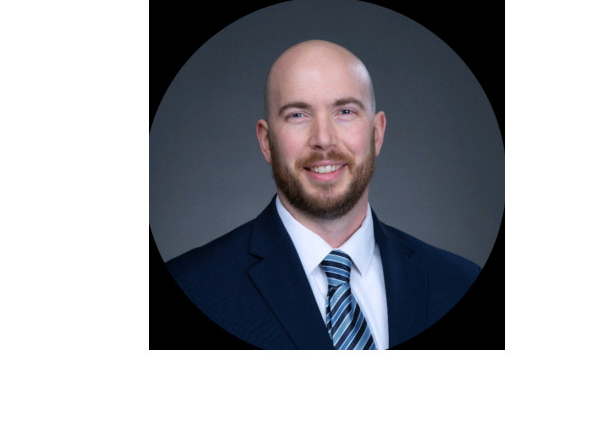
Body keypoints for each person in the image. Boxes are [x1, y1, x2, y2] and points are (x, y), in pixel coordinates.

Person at [166, 39, 480, 349]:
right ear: (266, 142)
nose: (324, 139)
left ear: (377, 133)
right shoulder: (189, 288)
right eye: (297, 115)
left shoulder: (461, 284)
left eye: (344, 111)